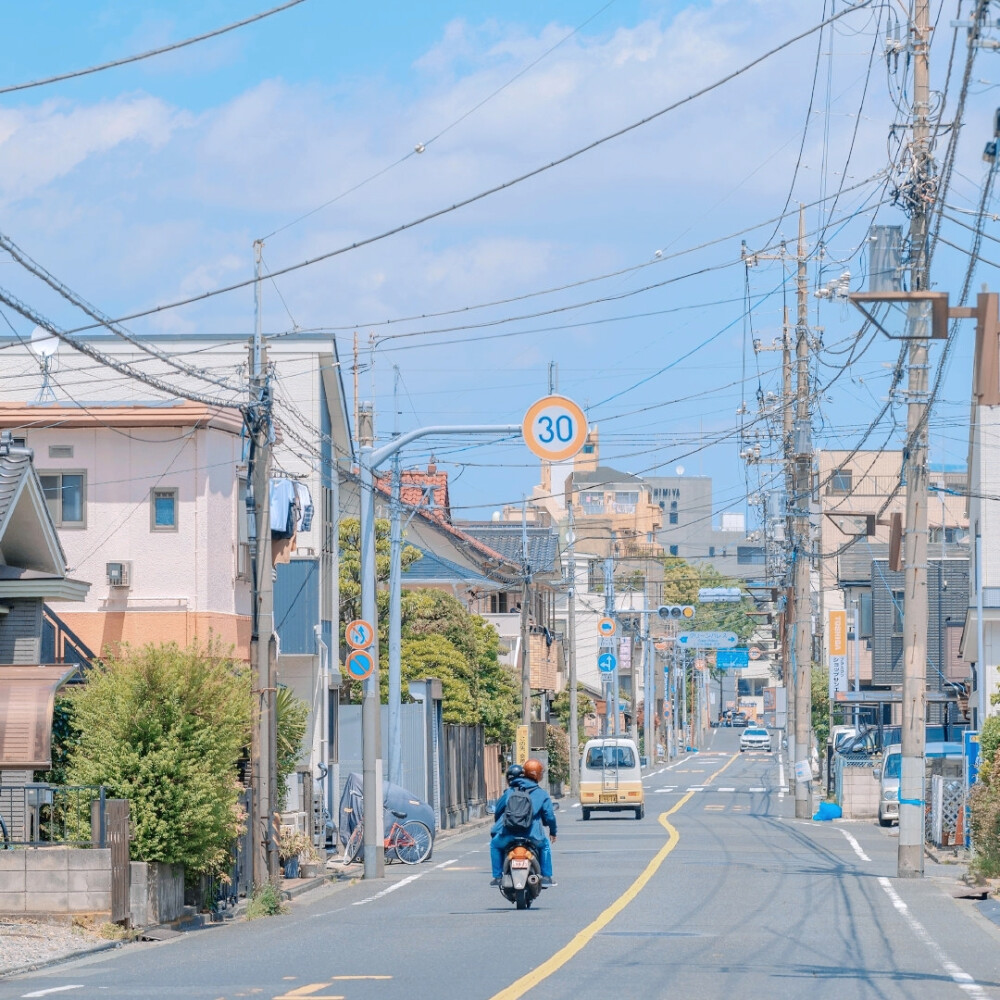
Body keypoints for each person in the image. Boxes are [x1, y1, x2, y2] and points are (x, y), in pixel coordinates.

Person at [489, 757, 558, 888]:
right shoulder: (541, 794)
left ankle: (497, 877)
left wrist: (498, 826)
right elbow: (549, 816)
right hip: (533, 835)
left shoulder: (510, 791)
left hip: (508, 834)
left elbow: (498, 810)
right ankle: (547, 877)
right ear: (539, 775)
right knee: (545, 846)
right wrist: (553, 832)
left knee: (494, 845)